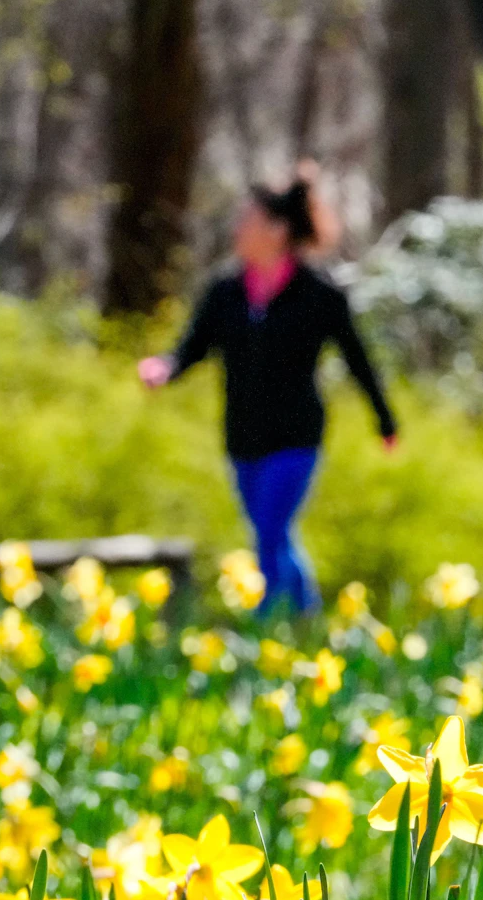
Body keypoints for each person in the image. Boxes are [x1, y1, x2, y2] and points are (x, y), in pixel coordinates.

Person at [139, 166, 396, 615]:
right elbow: (194, 346)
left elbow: (358, 360)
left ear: (277, 231)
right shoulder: (225, 292)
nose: (237, 230)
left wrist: (385, 420)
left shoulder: (319, 294)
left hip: (296, 438)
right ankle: (307, 621)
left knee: (270, 533)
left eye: (247, 220)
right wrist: (166, 367)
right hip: (243, 436)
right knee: (274, 536)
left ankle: (266, 626)